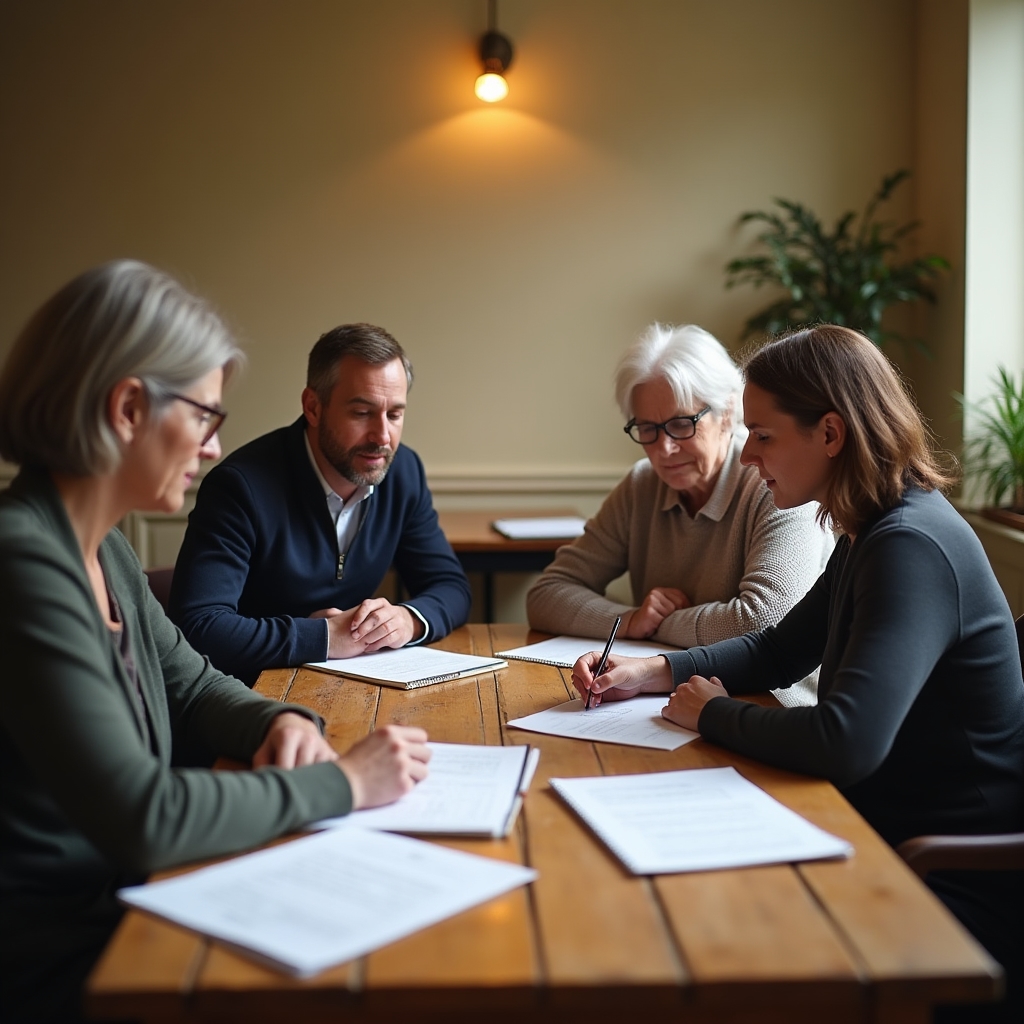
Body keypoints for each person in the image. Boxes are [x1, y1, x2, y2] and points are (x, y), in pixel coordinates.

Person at [0, 262, 431, 1023]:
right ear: (130, 407)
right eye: (204, 414)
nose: (211, 447)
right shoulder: (23, 562)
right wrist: (347, 784)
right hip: (63, 952)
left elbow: (193, 682)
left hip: (130, 901)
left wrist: (279, 721)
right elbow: (144, 817)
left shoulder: (104, 551)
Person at [572, 325, 1024, 1023]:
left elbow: (847, 742)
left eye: (763, 435)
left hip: (938, 873)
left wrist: (713, 712)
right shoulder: (873, 527)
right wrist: (655, 672)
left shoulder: (908, 545)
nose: (748, 456)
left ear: (831, 434)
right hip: (873, 826)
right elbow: (778, 651)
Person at [527, 323, 833, 705]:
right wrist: (631, 619)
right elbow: (546, 595)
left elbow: (764, 621)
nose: (664, 449)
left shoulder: (774, 480)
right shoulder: (643, 485)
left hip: (766, 706)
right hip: (661, 695)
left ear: (726, 413)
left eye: (681, 424)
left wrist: (661, 625)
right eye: (648, 429)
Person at [169, 322, 472, 685]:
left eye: (394, 414)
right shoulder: (239, 486)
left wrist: (408, 620)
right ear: (313, 407)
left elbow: (451, 586)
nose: (382, 436)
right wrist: (326, 637)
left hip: (352, 685)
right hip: (249, 694)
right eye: (361, 414)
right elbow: (200, 626)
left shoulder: (403, 471)